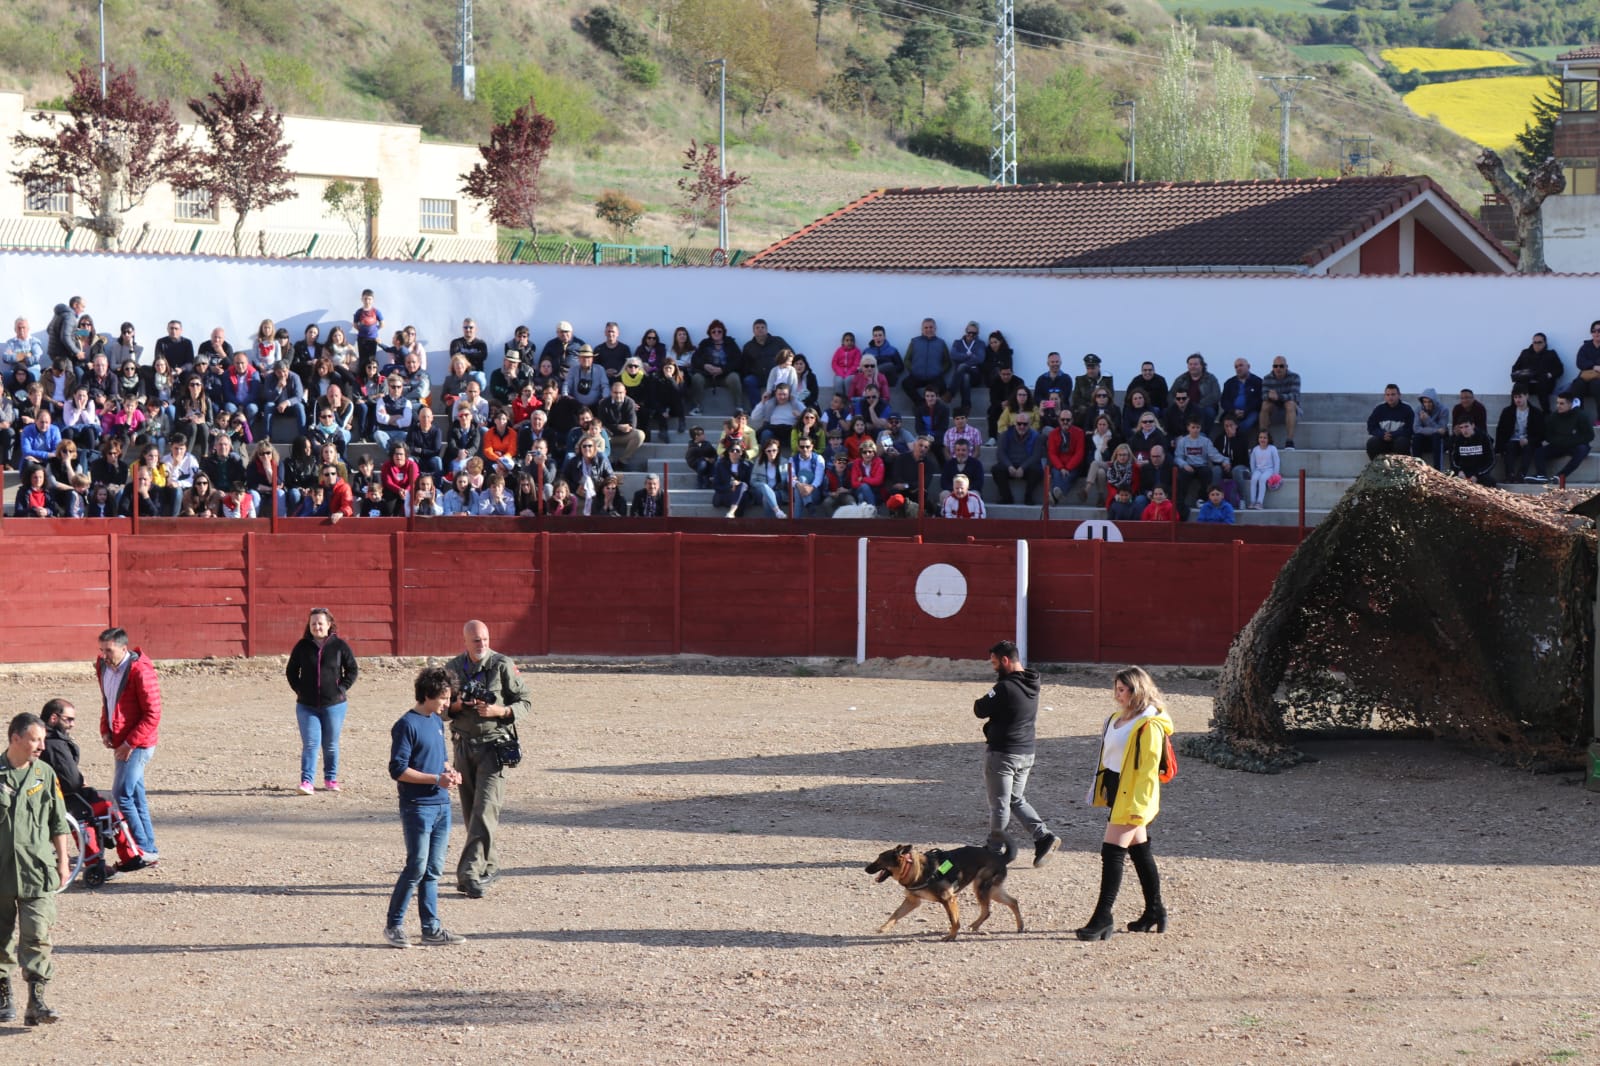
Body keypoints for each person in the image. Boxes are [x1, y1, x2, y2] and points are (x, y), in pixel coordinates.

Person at [1076, 666, 1175, 941]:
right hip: (1117, 789)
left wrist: (1137, 806)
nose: (1117, 695)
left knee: (1111, 852)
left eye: (1122, 690)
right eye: (1116, 689)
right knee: (1140, 851)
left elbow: (1148, 770)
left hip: (1134, 796)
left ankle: (1102, 918)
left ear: (1137, 690)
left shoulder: (1149, 724)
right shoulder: (1116, 719)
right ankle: (1154, 910)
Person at [445, 621, 531, 900]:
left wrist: (500, 711)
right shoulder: (454, 668)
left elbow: (525, 702)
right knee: (472, 814)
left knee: (485, 811)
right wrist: (460, 705)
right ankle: (490, 864)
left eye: (484, 639)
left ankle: (468, 873)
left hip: (494, 748)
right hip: (463, 748)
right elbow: (443, 710)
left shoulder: (502, 665)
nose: (481, 644)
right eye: (475, 641)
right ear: (465, 642)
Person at [385, 666, 466, 949]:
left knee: (433, 870)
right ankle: (394, 925)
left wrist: (451, 773)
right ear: (429, 694)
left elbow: (441, 760)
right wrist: (436, 779)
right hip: (418, 807)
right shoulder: (406, 725)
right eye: (444, 697)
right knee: (416, 867)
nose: (447, 703)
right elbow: (398, 769)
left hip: (442, 806)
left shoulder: (435, 722)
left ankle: (431, 928)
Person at [0, 712, 71, 1024]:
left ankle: (37, 1002)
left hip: (37, 870)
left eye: (43, 739)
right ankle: (3, 994)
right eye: (35, 739)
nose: (41, 745)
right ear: (15, 738)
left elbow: (58, 821)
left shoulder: (44, 774)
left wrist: (64, 862)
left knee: (38, 935)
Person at [974, 640, 1056, 867]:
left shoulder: (1004, 688)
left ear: (1006, 660)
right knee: (1015, 799)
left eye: (994, 663)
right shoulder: (1033, 682)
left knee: (999, 804)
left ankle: (993, 851)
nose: (993, 668)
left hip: (1003, 753)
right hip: (1026, 752)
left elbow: (979, 708)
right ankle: (1043, 837)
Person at [95, 628, 161, 861]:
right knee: (134, 796)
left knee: (122, 794)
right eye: (102, 650)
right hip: (120, 742)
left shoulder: (141, 672)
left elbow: (153, 714)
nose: (104, 655)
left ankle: (143, 848)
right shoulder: (102, 666)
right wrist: (106, 729)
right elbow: (108, 701)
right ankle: (149, 848)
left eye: (109, 650)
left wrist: (129, 743)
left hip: (138, 745)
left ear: (124, 649)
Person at [286, 607, 360, 795]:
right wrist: (300, 689)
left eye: (320, 623)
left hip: (334, 704)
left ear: (329, 625)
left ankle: (330, 779)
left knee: (331, 744)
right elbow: (291, 671)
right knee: (311, 743)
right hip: (306, 705)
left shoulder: (339, 646)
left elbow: (352, 670)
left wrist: (340, 688)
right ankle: (307, 782)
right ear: (309, 626)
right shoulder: (302, 646)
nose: (317, 626)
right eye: (313, 623)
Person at [1532, 392, 1594, 483]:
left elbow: (1589, 435)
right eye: (1557, 403)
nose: (1558, 406)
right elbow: (1547, 435)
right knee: (1539, 451)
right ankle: (1541, 475)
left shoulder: (1581, 416)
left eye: (1562, 403)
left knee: (1582, 449)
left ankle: (1561, 476)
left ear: (1570, 404)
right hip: (1559, 445)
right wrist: (1559, 441)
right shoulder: (1553, 416)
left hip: (1574, 445)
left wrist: (1572, 441)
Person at [1494, 387, 1542, 484]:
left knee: (1528, 447)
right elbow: (1501, 430)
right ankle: (1509, 475)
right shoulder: (1507, 411)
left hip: (1528, 441)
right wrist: (1498, 449)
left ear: (1527, 396)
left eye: (1520, 397)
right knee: (1509, 446)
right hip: (1512, 441)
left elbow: (1541, 433)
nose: (1517, 400)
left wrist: (1528, 440)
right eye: (1515, 397)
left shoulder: (1536, 412)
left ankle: (1521, 475)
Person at [1511, 332, 1562, 412]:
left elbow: (1560, 369)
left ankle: (1546, 413)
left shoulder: (1551, 354)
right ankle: (1513, 412)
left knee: (1542, 384)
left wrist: (1549, 375)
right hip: (1527, 383)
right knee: (1517, 387)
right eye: (1535, 342)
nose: (1537, 344)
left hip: (1544, 383)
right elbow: (1515, 368)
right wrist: (1523, 374)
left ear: (1545, 343)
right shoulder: (1525, 353)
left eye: (1539, 342)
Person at [1365, 384, 1414, 460]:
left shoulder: (1407, 409)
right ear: (1385, 396)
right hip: (1383, 439)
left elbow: (1410, 428)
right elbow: (1371, 426)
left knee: (1402, 442)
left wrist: (1393, 435)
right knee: (1372, 443)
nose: (1390, 397)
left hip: (1399, 440)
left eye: (1393, 394)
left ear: (1399, 395)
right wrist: (1382, 434)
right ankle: (1377, 467)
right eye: (1388, 395)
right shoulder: (1379, 409)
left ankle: (1403, 468)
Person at [1448, 416, 1496, 486]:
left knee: (1489, 482)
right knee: (1447, 474)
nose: (1464, 430)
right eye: (1461, 427)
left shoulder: (1483, 437)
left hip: (1479, 472)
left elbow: (1492, 461)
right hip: (1463, 472)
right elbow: (1453, 460)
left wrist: (1477, 475)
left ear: (1473, 425)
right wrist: (1459, 471)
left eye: (1466, 426)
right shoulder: (1458, 439)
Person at [1219, 357, 1262, 434]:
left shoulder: (1258, 382)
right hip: (1232, 412)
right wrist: (1234, 411)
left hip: (1251, 411)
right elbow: (1224, 401)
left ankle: (1238, 440)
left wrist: (1245, 411)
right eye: (1236, 367)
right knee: (1226, 423)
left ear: (1248, 366)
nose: (1238, 368)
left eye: (1241, 365)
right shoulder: (1229, 383)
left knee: (1247, 423)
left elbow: (1259, 400)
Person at [1411, 388, 1449, 469]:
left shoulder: (1443, 410)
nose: (1427, 404)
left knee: (1436, 436)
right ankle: (1416, 468)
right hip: (1424, 440)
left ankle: (1437, 469)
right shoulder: (1419, 409)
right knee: (1416, 437)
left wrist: (1427, 420)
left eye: (1429, 402)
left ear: (1434, 401)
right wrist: (1435, 430)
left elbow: (1442, 431)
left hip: (1439, 441)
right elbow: (1416, 429)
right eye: (1425, 402)